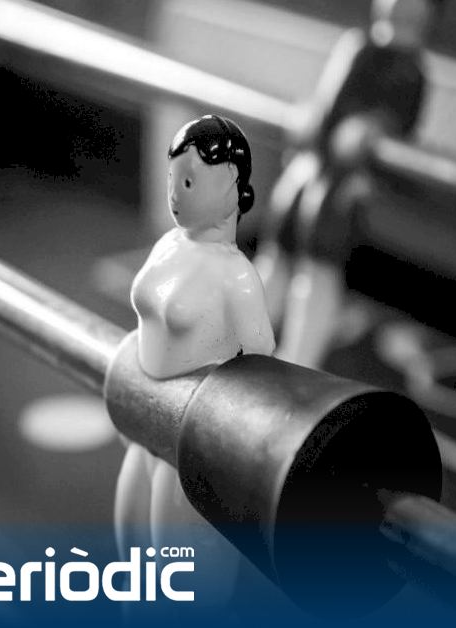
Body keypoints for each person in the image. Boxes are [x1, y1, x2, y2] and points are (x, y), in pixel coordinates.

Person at [117, 114, 275, 614]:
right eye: (172, 179)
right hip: (147, 423)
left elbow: (261, 362)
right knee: (130, 547)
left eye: (188, 182)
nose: (174, 194)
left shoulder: (237, 277)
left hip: (191, 440)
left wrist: (230, 444)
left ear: (232, 185)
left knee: (183, 584)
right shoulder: (169, 244)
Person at [254, 0, 441, 369]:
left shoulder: (413, 72)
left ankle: (297, 361)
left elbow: (401, 130)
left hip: (342, 184)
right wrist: (311, 126)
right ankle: (242, 342)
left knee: (318, 263)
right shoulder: (358, 49)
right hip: (314, 168)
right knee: (279, 247)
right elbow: (327, 108)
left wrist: (375, 135)